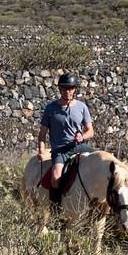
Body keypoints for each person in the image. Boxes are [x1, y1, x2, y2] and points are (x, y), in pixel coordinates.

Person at [37, 72, 96, 203]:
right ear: (59, 89)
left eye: (70, 88)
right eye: (64, 88)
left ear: (74, 89)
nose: (67, 91)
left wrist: (82, 136)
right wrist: (41, 149)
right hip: (60, 150)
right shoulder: (50, 108)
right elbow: (42, 133)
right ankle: (56, 210)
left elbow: (90, 131)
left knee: (104, 162)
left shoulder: (82, 107)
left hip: (79, 146)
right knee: (56, 178)